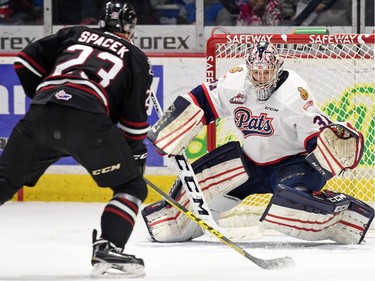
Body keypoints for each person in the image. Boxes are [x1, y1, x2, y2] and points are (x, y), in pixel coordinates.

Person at [142, 41, 374, 244]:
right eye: (256, 72)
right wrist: (174, 126)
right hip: (250, 164)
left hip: (292, 166)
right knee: (187, 204)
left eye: (267, 72)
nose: (261, 78)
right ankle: (174, 218)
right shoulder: (234, 81)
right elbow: (202, 99)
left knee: (291, 207)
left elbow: (314, 134)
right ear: (248, 68)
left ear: (277, 68)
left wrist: (326, 150)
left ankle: (344, 211)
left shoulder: (294, 92)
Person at [0, 0, 152, 277]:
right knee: (132, 186)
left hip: (41, 115)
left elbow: (23, 62)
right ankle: (109, 247)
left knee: (4, 182)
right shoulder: (135, 55)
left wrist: (47, 102)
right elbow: (134, 124)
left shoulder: (74, 33)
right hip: (89, 123)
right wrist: (130, 153)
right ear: (130, 27)